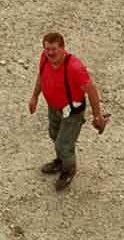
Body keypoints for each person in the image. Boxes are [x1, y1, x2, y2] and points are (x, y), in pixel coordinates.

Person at [26, 31, 108, 190]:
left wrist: (97, 116)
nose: (50, 53)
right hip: (54, 108)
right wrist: (35, 96)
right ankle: (61, 160)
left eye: (54, 49)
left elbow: (91, 90)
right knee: (54, 135)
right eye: (47, 49)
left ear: (63, 48)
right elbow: (41, 77)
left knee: (63, 144)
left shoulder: (74, 67)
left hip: (72, 113)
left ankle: (68, 169)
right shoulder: (45, 58)